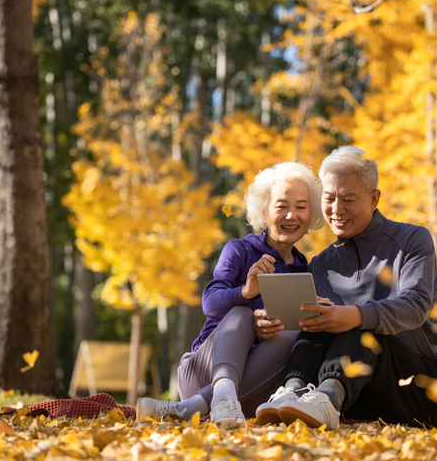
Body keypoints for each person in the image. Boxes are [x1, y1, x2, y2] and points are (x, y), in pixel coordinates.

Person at [255, 146, 437, 429]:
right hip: (357, 396)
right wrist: (269, 325)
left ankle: (327, 398)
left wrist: (354, 316)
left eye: (348, 199)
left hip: (425, 391)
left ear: (374, 199)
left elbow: (416, 306)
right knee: (315, 322)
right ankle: (294, 391)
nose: (337, 210)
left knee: (359, 326)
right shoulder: (320, 264)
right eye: (329, 198)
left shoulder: (413, 240)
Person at [137, 161, 324, 427]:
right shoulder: (239, 250)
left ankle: (189, 408)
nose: (291, 215)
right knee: (241, 314)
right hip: (204, 372)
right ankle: (216, 396)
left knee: (297, 330)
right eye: (281, 206)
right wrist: (246, 293)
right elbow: (210, 304)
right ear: (264, 211)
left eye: (301, 207)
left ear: (311, 213)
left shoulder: (303, 268)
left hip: (255, 390)